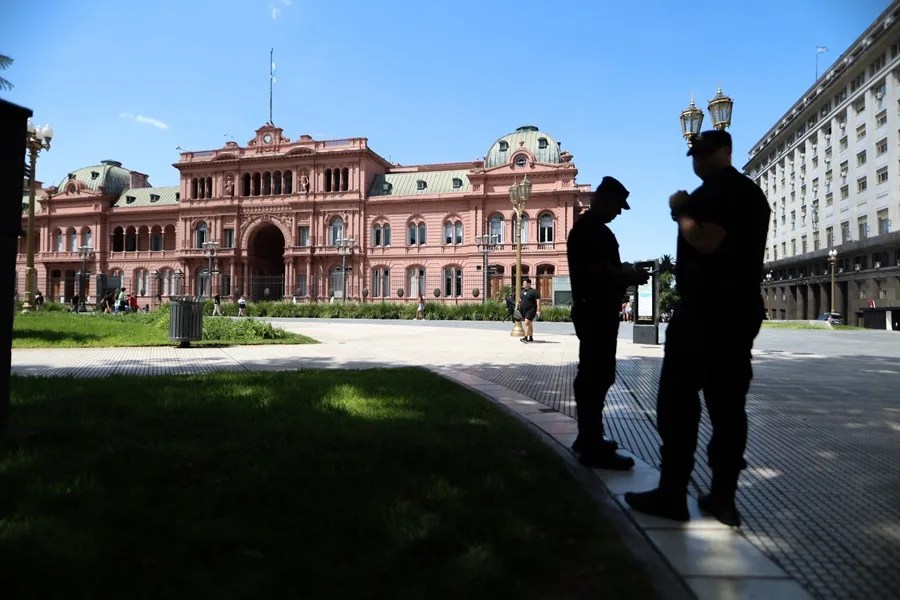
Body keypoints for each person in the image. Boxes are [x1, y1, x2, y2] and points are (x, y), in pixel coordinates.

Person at [625, 130, 770, 526]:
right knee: (725, 407)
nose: (698, 160)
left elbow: (706, 241)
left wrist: (680, 210)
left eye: (706, 153)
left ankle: (675, 493)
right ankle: (721, 498)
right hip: (729, 313)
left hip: (712, 315)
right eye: (694, 153)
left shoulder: (730, 192)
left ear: (727, 151)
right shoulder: (736, 192)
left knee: (679, 404)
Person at [567, 175, 649, 470]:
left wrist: (623, 273)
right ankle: (591, 442)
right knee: (596, 375)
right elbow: (598, 273)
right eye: (617, 206)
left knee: (594, 373)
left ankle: (588, 437)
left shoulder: (589, 229)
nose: (618, 213)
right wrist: (627, 275)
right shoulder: (592, 232)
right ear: (603, 200)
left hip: (595, 312)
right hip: (596, 312)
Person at [518, 277, 540, 343]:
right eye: (523, 283)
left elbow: (538, 301)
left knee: (527, 322)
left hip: (531, 310)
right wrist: (518, 306)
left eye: (524, 283)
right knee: (529, 323)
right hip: (523, 310)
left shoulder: (534, 292)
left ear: (529, 284)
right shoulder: (522, 292)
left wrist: (538, 311)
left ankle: (525, 338)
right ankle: (530, 337)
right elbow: (520, 300)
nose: (523, 284)